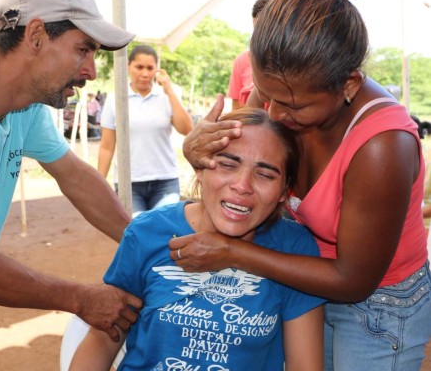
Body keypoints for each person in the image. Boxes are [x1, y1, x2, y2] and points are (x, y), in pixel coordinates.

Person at [173, 0, 431, 370]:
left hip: (378, 305)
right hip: (297, 278)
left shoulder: (382, 146)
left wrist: (232, 252)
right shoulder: (284, 86)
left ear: (348, 85)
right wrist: (197, 151)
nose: (274, 114)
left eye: (292, 106)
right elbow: (237, 174)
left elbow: (354, 279)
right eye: (265, 94)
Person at [70, 108, 325, 371]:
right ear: (200, 168)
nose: (242, 185)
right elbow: (102, 339)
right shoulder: (147, 232)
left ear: (285, 191)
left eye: (265, 174)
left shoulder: (294, 247)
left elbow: (305, 365)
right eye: (227, 164)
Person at [0, 0, 142, 342]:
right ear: (36, 36)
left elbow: (75, 177)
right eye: (83, 49)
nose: (91, 71)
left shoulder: (22, 104)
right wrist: (80, 299)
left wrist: (142, 246)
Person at [97, 44, 193, 217]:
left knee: (165, 233)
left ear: (157, 70)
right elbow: (106, 146)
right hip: (129, 182)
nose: (145, 73)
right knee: (136, 231)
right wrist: (99, 184)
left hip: (165, 180)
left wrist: (169, 90)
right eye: (139, 67)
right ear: (128, 67)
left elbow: (187, 129)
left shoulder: (166, 95)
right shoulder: (115, 98)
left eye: (150, 68)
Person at [226, 0, 272, 111]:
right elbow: (236, 108)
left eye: (267, 30)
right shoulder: (242, 60)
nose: (261, 36)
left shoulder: (290, 59)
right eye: (257, 30)